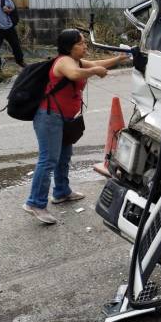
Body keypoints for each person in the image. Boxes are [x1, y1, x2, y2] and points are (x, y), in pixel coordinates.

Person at [22, 29, 131, 225]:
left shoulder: (77, 61)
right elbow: (74, 74)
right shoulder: (64, 62)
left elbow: (96, 64)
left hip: (66, 118)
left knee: (64, 156)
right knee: (48, 160)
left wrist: (118, 59)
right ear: (70, 47)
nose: (85, 46)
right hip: (49, 118)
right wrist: (95, 72)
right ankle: (35, 203)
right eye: (81, 43)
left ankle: (62, 192)